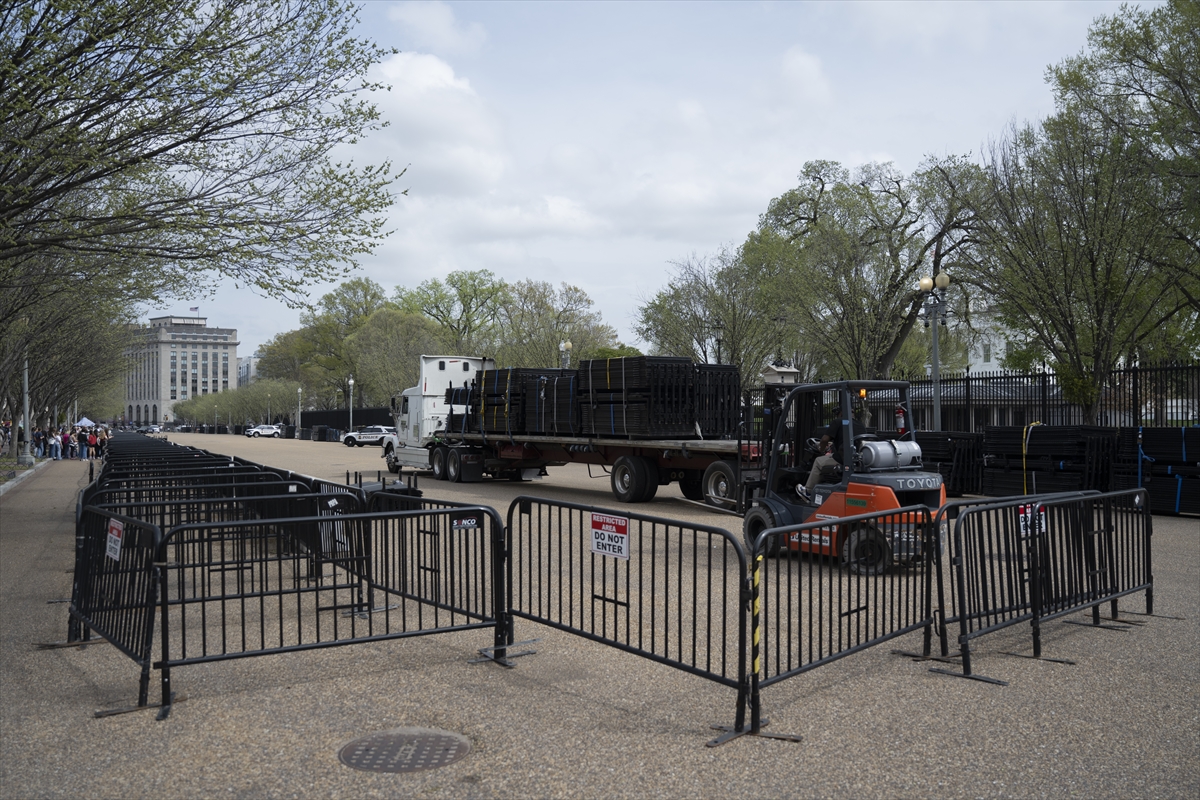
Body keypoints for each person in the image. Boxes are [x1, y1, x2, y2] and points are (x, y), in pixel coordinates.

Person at [802, 410, 867, 499]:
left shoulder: (838, 421)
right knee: (828, 458)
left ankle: (808, 492)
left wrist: (821, 449)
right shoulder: (860, 425)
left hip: (843, 460)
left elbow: (824, 440)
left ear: (841, 414)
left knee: (818, 461)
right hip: (856, 459)